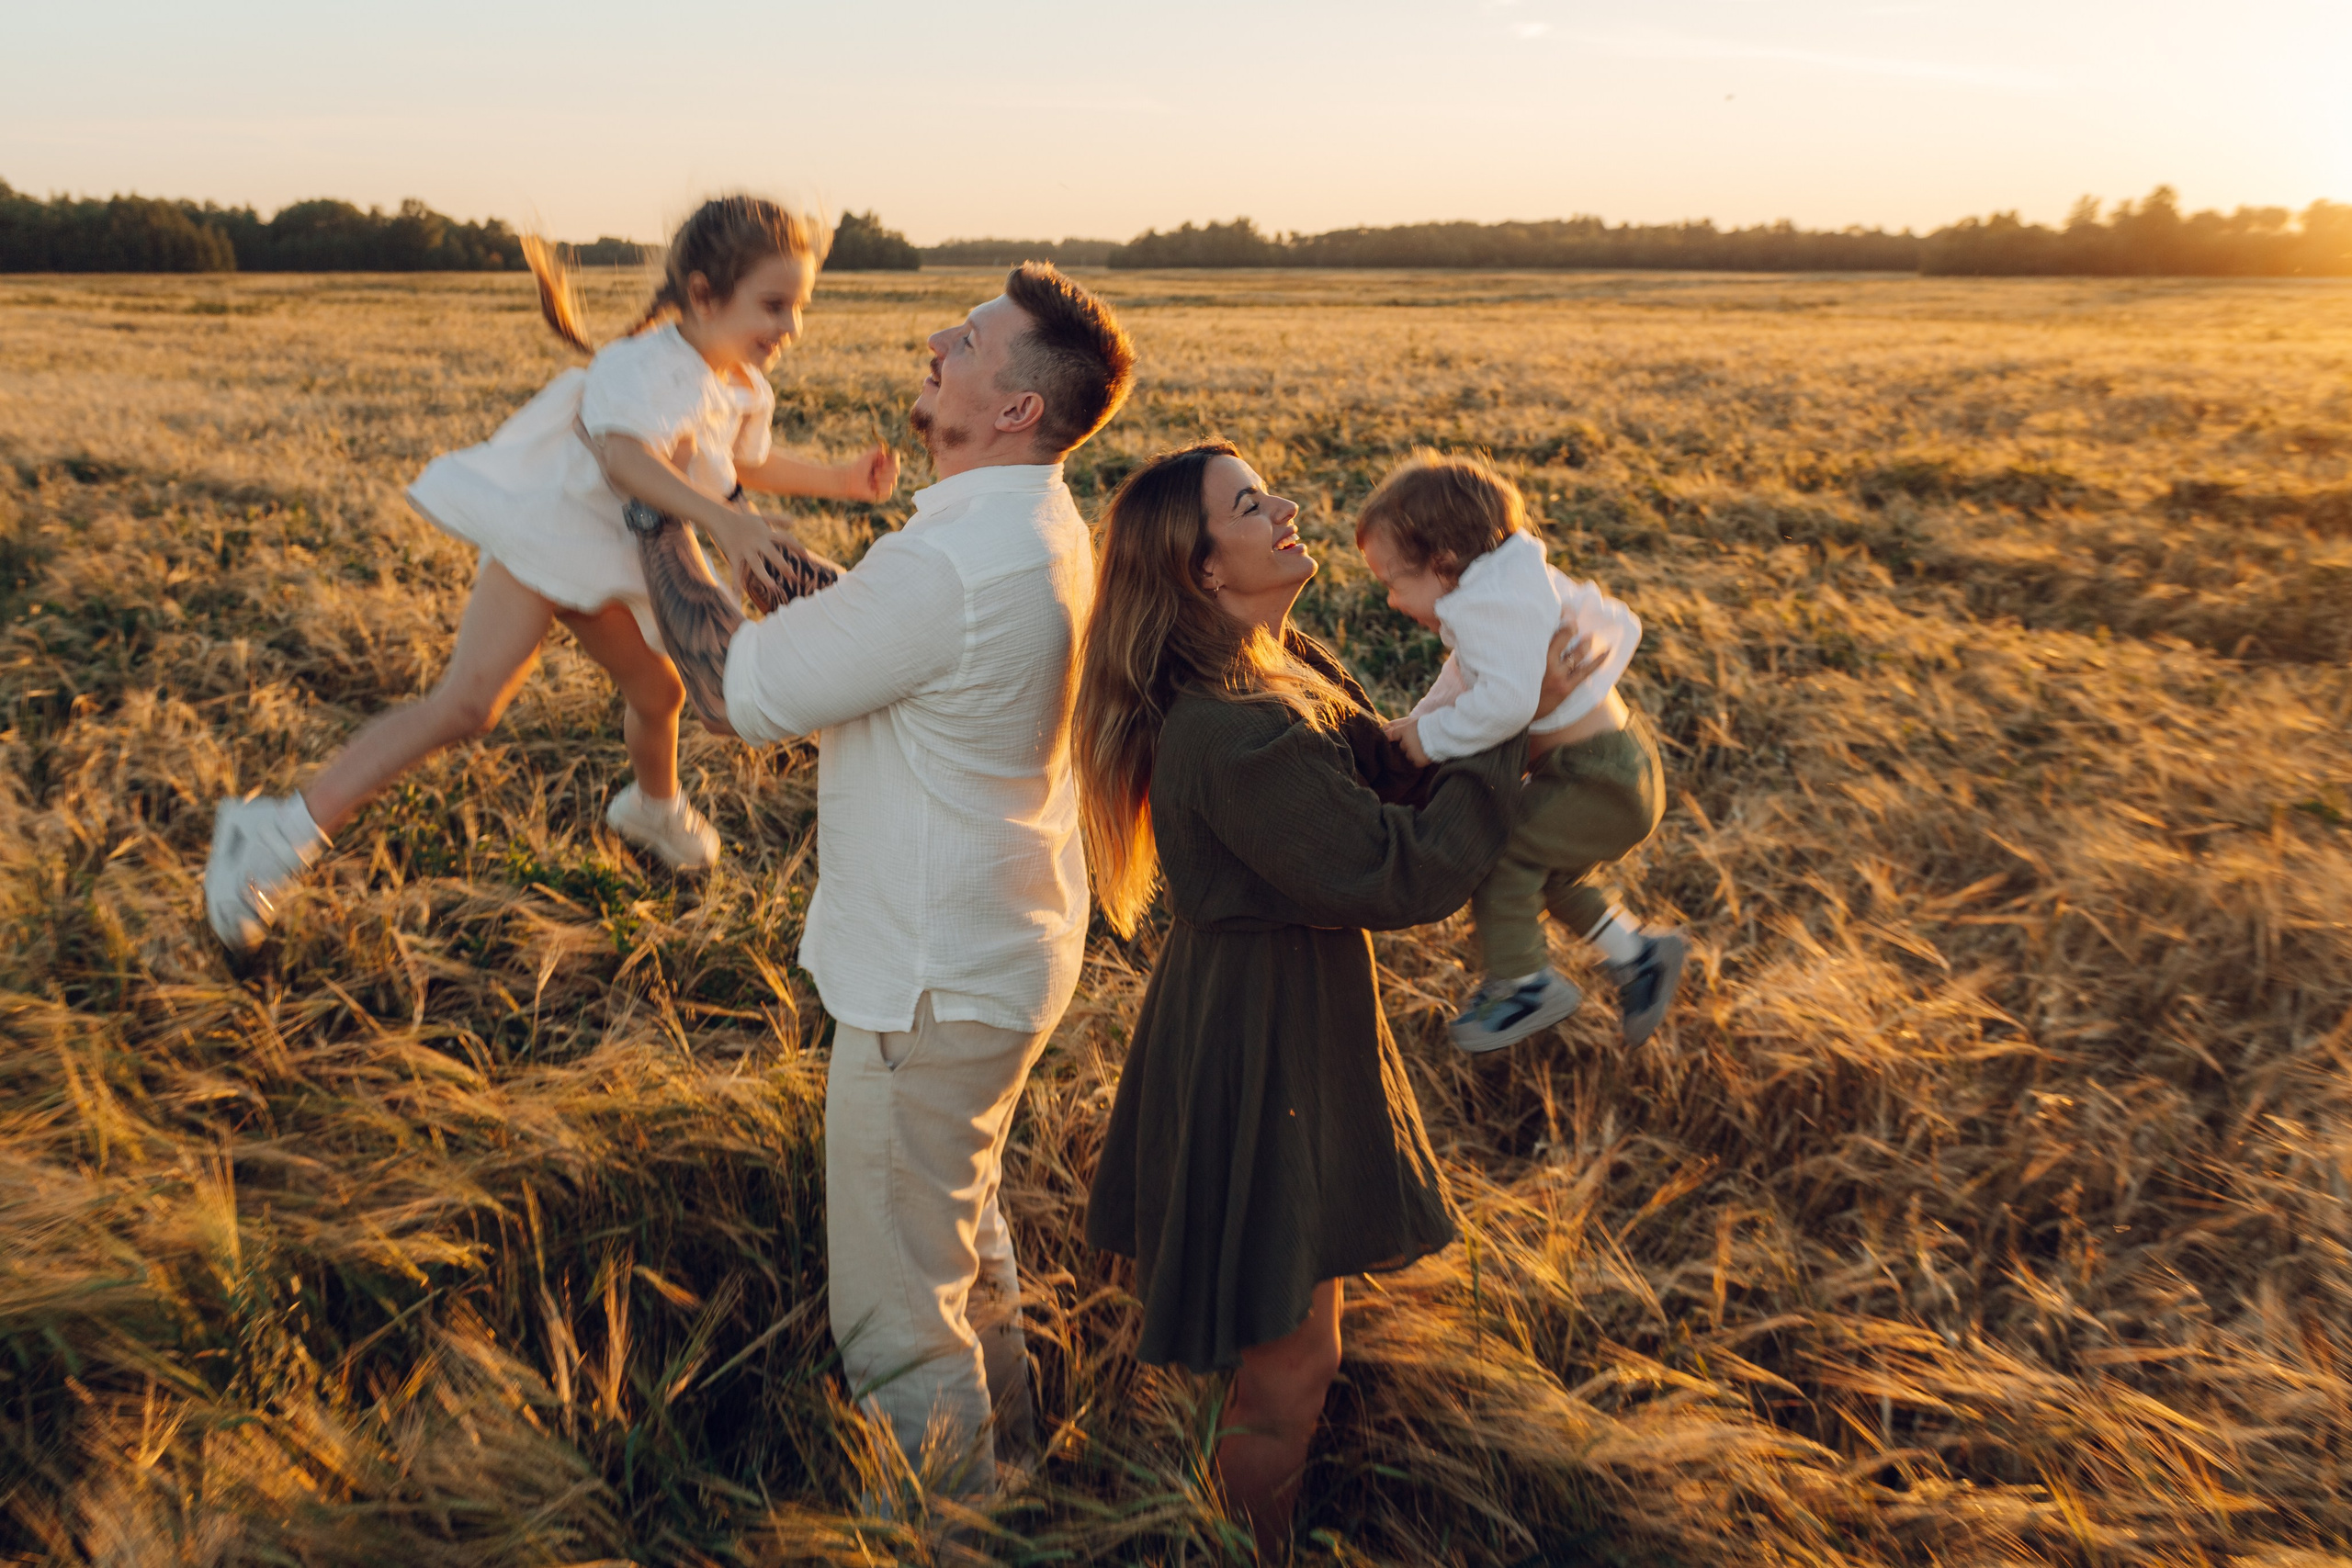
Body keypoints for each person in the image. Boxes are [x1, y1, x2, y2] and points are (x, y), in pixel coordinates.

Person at [626, 263, 1136, 1490]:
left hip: (927, 980)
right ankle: (1011, 1468)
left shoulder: (954, 563)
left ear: (1017, 407)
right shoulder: (1028, 526)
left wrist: (657, 513)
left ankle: (948, 1518)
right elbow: (919, 649)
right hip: (998, 956)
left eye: (966, 340)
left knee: (897, 1310)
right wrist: (814, 592)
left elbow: (734, 693)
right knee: (959, 1242)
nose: (936, 342)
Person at [1072, 441, 1591, 1556]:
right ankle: (1239, 1546)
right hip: (1254, 1030)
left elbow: (1377, 783)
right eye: (1251, 505)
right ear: (1203, 570)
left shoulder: (1278, 664)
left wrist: (1487, 699)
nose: (1287, 507)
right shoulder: (1227, 724)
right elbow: (1392, 869)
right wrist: (1507, 736)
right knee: (1289, 1358)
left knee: (1272, 1327)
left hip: (1280, 1005)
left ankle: (1215, 1515)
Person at [201, 196, 898, 950]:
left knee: (660, 689)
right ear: (703, 294)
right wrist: (723, 521)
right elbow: (625, 457)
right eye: (774, 304)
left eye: (799, 306)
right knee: (468, 706)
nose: (790, 327)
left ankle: (651, 808)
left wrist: (840, 479)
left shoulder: (739, 383)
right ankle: (272, 832)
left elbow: (747, 461)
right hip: (553, 535)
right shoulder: (642, 364)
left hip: (621, 553)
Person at [1357, 450, 1687, 1052]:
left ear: (1443, 563)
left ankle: (1524, 984)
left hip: (1597, 777)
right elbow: (1468, 679)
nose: (1391, 602)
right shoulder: (1500, 589)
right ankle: (1640, 955)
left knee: (1504, 858)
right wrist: (1419, 721)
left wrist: (1429, 740)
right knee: (1546, 876)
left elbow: (1506, 704)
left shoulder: (1488, 602)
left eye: (1393, 582)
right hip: (1608, 767)